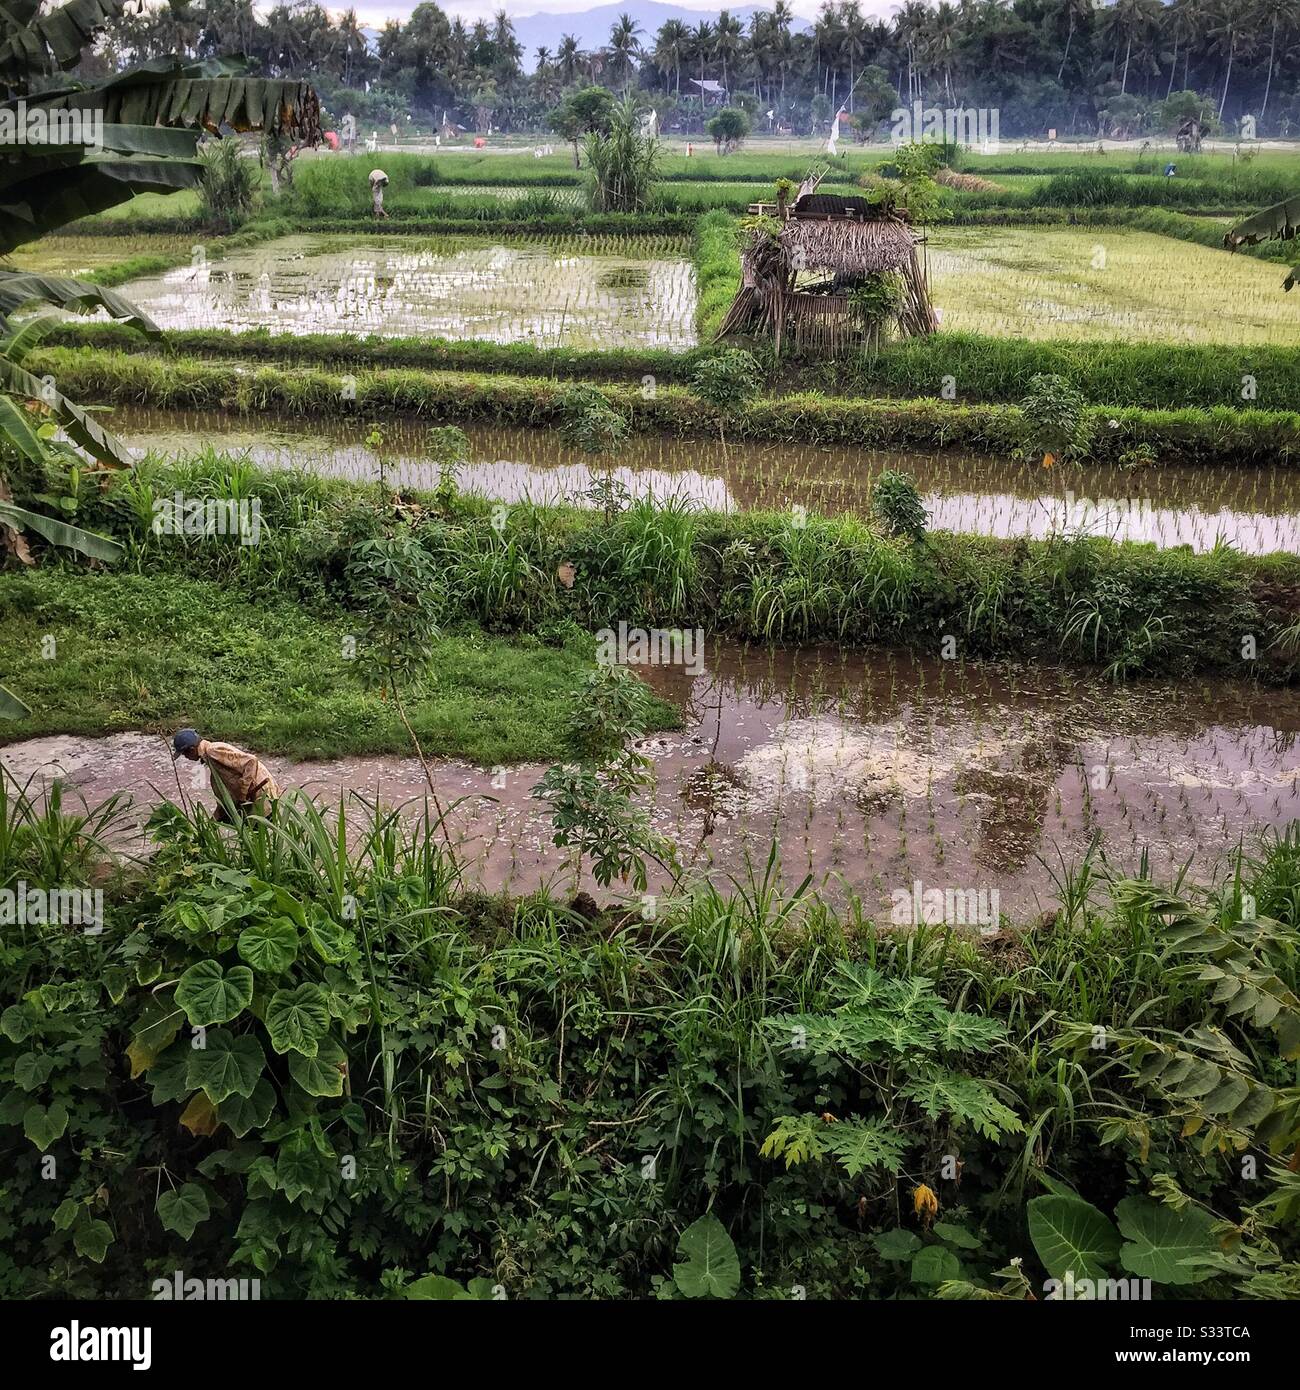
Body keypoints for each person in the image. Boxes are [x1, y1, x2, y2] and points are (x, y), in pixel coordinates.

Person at [173, 729, 281, 821]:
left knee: (257, 837)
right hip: (253, 802)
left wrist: (243, 791)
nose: (186, 757)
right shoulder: (210, 759)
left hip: (261, 796)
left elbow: (251, 761)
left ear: (191, 750)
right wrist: (212, 823)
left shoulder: (213, 751)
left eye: (184, 754)